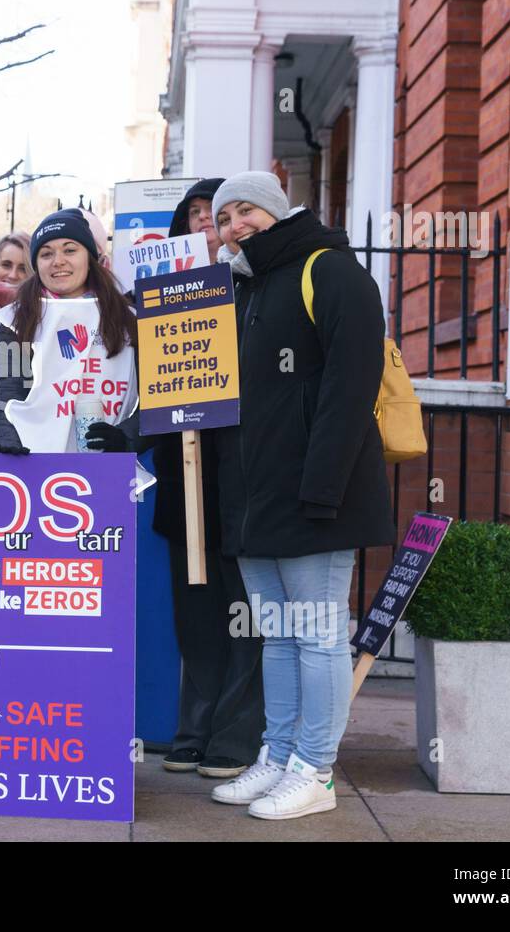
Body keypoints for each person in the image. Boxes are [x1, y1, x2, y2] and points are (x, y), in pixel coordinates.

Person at [204, 171, 393, 820]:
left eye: (246, 211)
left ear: (278, 212)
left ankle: (316, 771)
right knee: (279, 638)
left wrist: (323, 487)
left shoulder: (330, 269)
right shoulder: (240, 288)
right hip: (256, 501)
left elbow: (352, 383)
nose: (234, 227)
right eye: (224, 218)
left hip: (316, 497)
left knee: (316, 637)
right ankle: (279, 755)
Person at [152, 177, 265, 780]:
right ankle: (194, 728)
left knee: (243, 612)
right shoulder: (164, 299)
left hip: (240, 483)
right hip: (182, 481)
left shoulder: (254, 290)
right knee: (196, 616)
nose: (205, 225)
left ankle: (237, 733)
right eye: (194, 215)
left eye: (214, 215)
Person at [0, 209, 138, 456]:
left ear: (90, 258)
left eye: (70, 250)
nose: (58, 261)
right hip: (37, 464)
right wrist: (6, 435)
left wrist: (125, 436)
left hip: (109, 467)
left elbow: (155, 403)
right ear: (36, 264)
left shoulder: (127, 320)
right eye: (46, 254)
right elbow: (9, 393)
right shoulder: (15, 320)